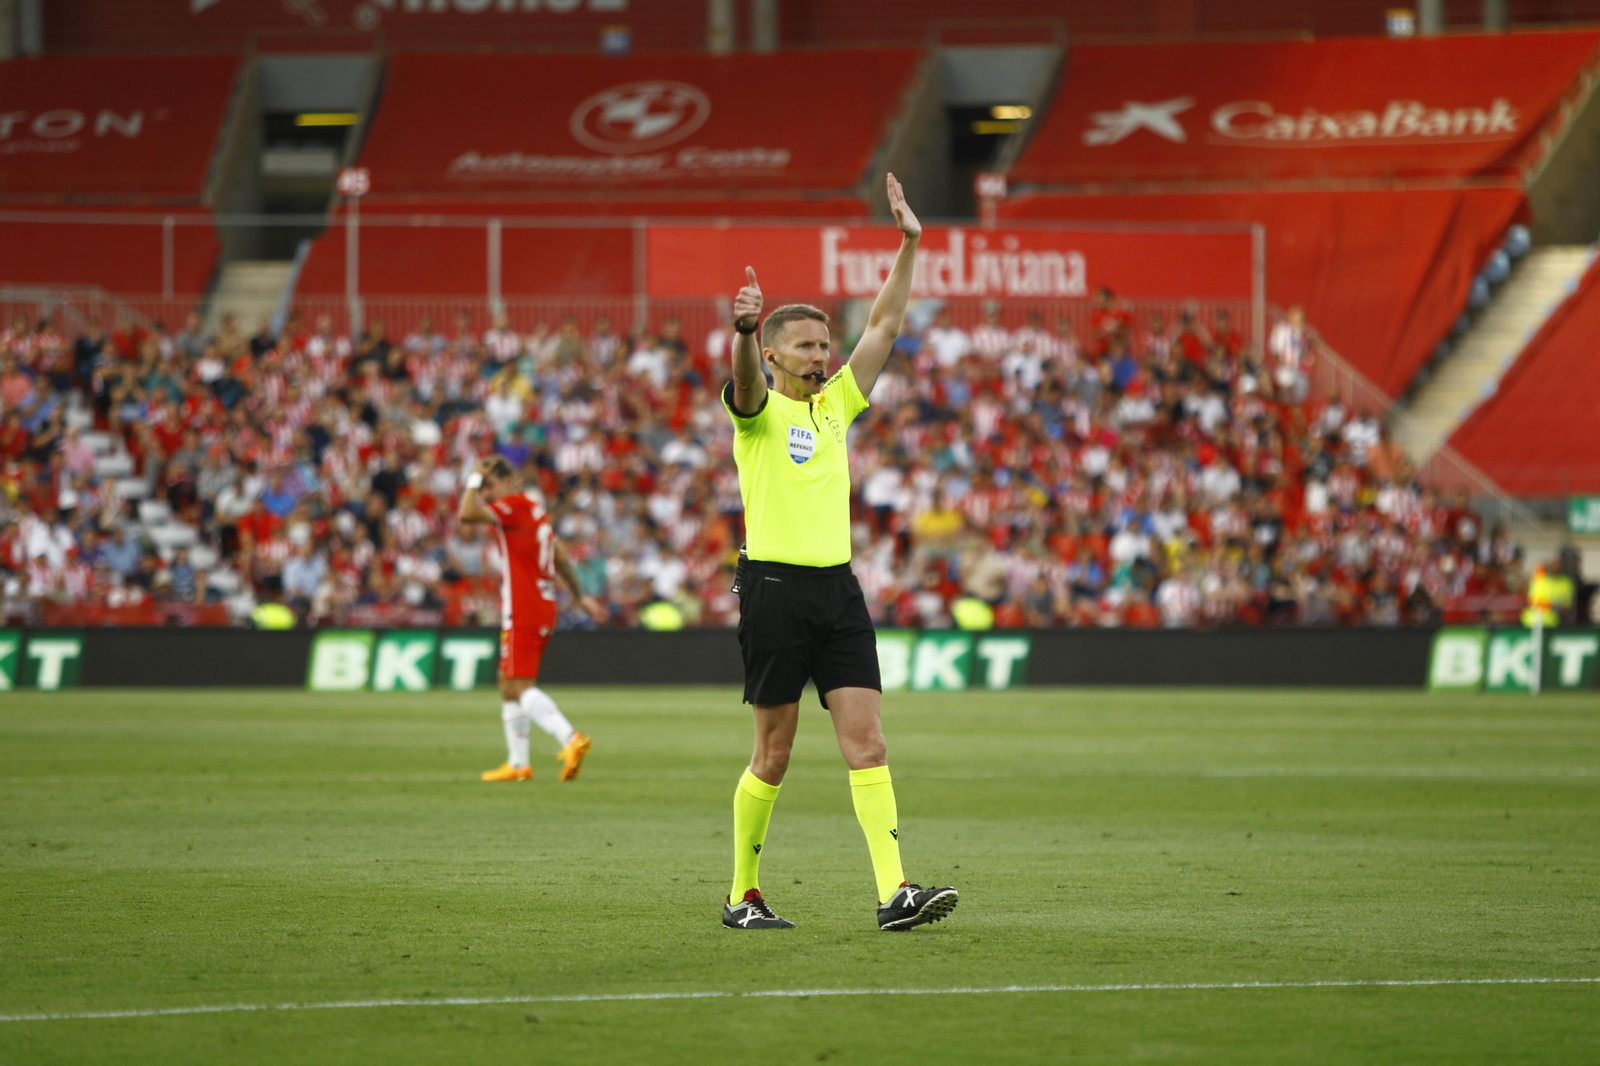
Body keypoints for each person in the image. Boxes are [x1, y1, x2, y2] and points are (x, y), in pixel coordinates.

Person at [720, 172, 957, 933]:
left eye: (825, 343)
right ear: (778, 354)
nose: (823, 355)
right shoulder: (756, 412)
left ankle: (894, 893)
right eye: (808, 346)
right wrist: (744, 336)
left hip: (837, 592)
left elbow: (883, 328)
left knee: (869, 740)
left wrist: (910, 243)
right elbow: (747, 380)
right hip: (774, 590)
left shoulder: (835, 406)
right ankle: (742, 895)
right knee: (775, 754)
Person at [457, 456, 606, 783]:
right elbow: (560, 556)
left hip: (524, 609)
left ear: (510, 483)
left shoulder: (514, 505)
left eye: (490, 486)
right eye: (483, 488)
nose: (486, 494)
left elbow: (466, 513)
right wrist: (580, 597)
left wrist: (471, 479)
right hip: (539, 606)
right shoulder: (534, 514)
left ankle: (570, 739)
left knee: (520, 684)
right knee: (506, 681)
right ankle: (518, 763)